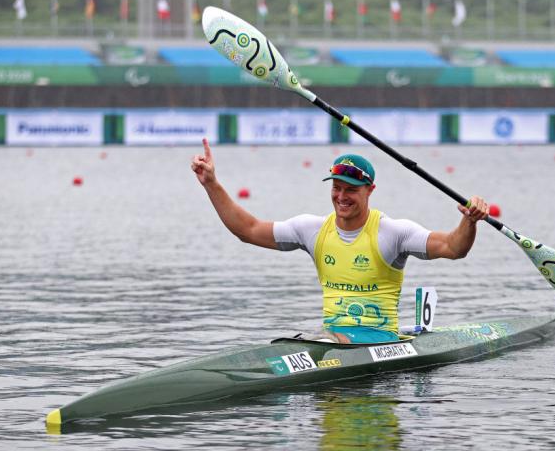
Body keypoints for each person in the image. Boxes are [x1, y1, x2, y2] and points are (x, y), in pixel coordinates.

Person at [191, 139, 489, 344]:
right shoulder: (311, 229)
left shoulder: (393, 232)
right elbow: (248, 229)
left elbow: (453, 248)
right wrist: (211, 184)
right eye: (336, 188)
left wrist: (469, 220)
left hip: (380, 341)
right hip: (333, 341)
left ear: (370, 190)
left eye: (351, 190)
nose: (341, 197)